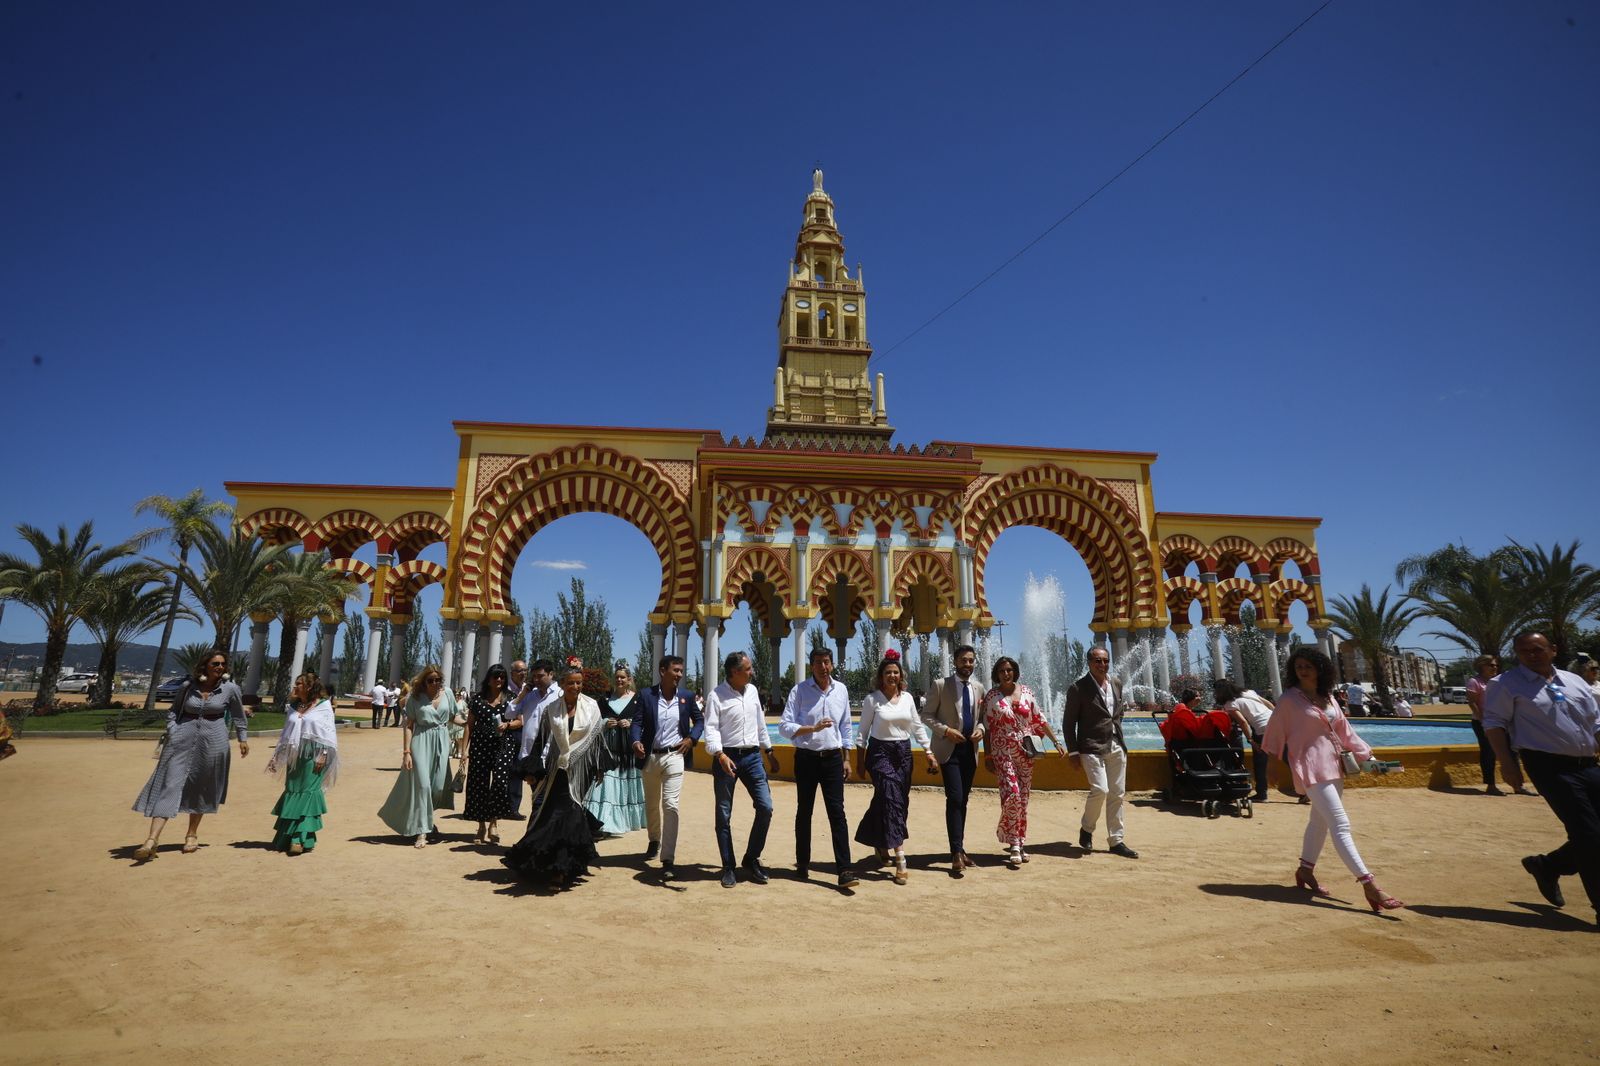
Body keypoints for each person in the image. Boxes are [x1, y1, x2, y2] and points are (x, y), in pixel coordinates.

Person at [1263, 647, 1403, 914]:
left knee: (1319, 822)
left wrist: (1368, 757)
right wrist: (1271, 762)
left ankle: (1305, 871)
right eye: (1299, 666)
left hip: (1333, 765)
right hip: (1310, 766)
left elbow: (1344, 731)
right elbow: (1275, 730)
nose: (1302, 670)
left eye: (1308, 666)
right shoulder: (1289, 699)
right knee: (1340, 824)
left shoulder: (1328, 697)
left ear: (1320, 669)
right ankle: (1369, 885)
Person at [1484, 631, 1600, 926]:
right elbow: (1495, 724)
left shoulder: (1575, 681)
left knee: (1593, 835)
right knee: (1588, 836)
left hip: (1588, 763)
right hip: (1548, 766)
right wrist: (1507, 764)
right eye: (1524, 651)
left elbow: (1595, 722)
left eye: (1537, 649)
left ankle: (1546, 866)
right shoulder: (1505, 684)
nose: (1531, 655)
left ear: (1553, 650)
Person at [131, 649, 249, 859]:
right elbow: (174, 711)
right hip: (181, 740)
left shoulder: (230, 689)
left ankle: (192, 834)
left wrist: (242, 739)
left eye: (222, 664)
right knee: (170, 784)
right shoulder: (188, 687)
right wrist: (173, 729)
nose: (220, 667)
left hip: (214, 741)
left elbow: (239, 716)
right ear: (205, 665)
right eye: (215, 664)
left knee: (201, 786)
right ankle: (151, 840)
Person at [502, 658, 607, 886]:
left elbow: (598, 739)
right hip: (555, 770)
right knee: (550, 816)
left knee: (570, 816)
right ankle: (541, 863)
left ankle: (565, 867)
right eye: (571, 683)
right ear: (562, 684)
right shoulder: (552, 709)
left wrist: (599, 767)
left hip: (580, 772)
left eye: (579, 683)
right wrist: (531, 770)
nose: (576, 687)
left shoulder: (591, 707)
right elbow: (540, 741)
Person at [854, 650, 935, 886]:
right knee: (892, 800)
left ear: (901, 676)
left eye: (895, 672)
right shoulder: (872, 700)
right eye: (887, 672)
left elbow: (917, 727)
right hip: (880, 754)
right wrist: (860, 761)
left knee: (895, 801)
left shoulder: (908, 698)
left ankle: (879, 842)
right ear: (881, 677)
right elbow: (862, 733)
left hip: (903, 754)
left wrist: (928, 751)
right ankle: (900, 857)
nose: (892, 676)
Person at [779, 647, 857, 888]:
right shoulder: (799, 691)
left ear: (831, 664)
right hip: (806, 758)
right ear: (811, 666)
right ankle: (802, 863)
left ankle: (844, 869)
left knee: (837, 813)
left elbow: (846, 727)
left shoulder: (841, 690)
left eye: (826, 662)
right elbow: (784, 726)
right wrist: (811, 729)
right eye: (818, 663)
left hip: (833, 759)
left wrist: (846, 758)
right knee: (805, 812)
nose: (823, 667)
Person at [703, 651, 779, 888]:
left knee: (766, 807)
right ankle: (728, 866)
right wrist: (720, 754)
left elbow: (760, 723)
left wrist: (769, 751)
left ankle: (751, 858)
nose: (751, 672)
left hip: (753, 757)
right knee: (724, 813)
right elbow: (711, 729)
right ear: (735, 672)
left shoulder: (753, 691)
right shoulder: (716, 696)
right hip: (727, 757)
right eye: (747, 669)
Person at [982, 656, 1065, 868]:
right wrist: (988, 755)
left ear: (1015, 671)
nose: (1006, 673)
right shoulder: (992, 696)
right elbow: (988, 728)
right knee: (1013, 794)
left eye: (1009, 670)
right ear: (997, 674)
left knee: (1024, 798)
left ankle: (1019, 840)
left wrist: (1056, 742)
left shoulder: (1027, 692)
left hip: (1026, 752)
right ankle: (1012, 842)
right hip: (1003, 751)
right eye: (1001, 671)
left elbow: (1040, 719)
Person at [627, 654, 703, 880]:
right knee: (651, 804)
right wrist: (635, 741)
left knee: (670, 805)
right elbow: (637, 722)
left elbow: (699, 720)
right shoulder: (646, 695)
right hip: (650, 757)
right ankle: (654, 840)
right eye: (676, 670)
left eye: (681, 670)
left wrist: (691, 739)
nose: (679, 674)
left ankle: (668, 858)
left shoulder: (687, 697)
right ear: (663, 671)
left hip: (675, 756)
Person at [377, 665, 463, 848]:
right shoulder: (415, 698)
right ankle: (422, 831)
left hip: (441, 742)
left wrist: (469, 722)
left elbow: (453, 717)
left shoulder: (447, 693)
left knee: (439, 787)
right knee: (423, 786)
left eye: (437, 680)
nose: (434, 683)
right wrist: (406, 752)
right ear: (424, 681)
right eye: (430, 680)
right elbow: (408, 726)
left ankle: (427, 821)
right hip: (421, 742)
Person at [1064, 646, 1138, 859]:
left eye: (1106, 660)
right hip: (1091, 746)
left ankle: (1117, 840)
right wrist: (1073, 752)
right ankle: (1087, 828)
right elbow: (1069, 724)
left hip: (1116, 745)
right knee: (1101, 789)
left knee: (1117, 793)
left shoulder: (1116, 683)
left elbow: (1117, 713)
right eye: (1098, 661)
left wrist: (1117, 735)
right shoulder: (1078, 688)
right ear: (1089, 662)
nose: (1102, 665)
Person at [920, 643, 987, 876]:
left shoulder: (979, 688)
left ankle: (959, 847)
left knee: (963, 800)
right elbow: (926, 715)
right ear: (955, 661)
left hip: (970, 751)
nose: (967, 664)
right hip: (948, 751)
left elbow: (982, 719)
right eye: (963, 660)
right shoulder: (941, 685)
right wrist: (946, 730)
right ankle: (956, 852)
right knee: (955, 797)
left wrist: (981, 729)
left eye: (971, 660)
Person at [266, 670, 339, 855]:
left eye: (298, 683)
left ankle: (299, 837)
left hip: (313, 756)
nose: (295, 687)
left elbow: (328, 732)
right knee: (293, 791)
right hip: (295, 757)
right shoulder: (293, 706)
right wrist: (277, 756)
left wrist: (323, 754)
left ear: (309, 686)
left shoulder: (323, 706)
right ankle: (286, 836)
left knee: (308, 793)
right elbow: (286, 733)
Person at [462, 664, 521, 846]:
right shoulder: (477, 699)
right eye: (495, 677)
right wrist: (464, 750)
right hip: (480, 745)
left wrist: (508, 725)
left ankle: (493, 823)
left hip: (503, 745)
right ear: (488, 679)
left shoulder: (511, 699)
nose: (499, 680)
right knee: (478, 783)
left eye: (502, 677)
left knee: (500, 782)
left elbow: (520, 721)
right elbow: (469, 725)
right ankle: (481, 825)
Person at [586, 662, 647, 836]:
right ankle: (605, 822)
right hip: (609, 753)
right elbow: (594, 722)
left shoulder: (638, 699)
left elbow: (646, 722)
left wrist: (632, 724)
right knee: (607, 788)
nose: (619, 680)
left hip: (629, 754)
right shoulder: (605, 700)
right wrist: (605, 723)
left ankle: (629, 820)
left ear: (629, 680)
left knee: (628, 787)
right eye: (617, 677)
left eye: (623, 677)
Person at [509, 658, 558, 818]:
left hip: (552, 756)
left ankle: (538, 837)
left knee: (545, 801)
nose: (536, 680)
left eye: (540, 676)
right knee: (538, 799)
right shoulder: (529, 696)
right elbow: (508, 714)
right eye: (534, 677)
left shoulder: (560, 695)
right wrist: (522, 695)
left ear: (551, 674)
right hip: (530, 757)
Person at [1214, 678, 1274, 801]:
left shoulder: (1230, 704)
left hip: (1262, 728)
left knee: (1260, 762)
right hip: (1276, 722)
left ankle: (1262, 794)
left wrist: (1250, 740)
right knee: (1287, 757)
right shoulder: (1249, 692)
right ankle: (1303, 790)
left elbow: (1243, 722)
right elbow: (1269, 704)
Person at [1464, 654, 1505, 795]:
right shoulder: (1474, 681)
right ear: (1482, 666)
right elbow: (1472, 702)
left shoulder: (1498, 681)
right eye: (1491, 665)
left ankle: (1518, 785)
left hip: (1500, 721)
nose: (1495, 667)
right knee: (1489, 753)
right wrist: (1483, 721)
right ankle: (1491, 785)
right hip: (1482, 722)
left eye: (1496, 665)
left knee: (1512, 751)